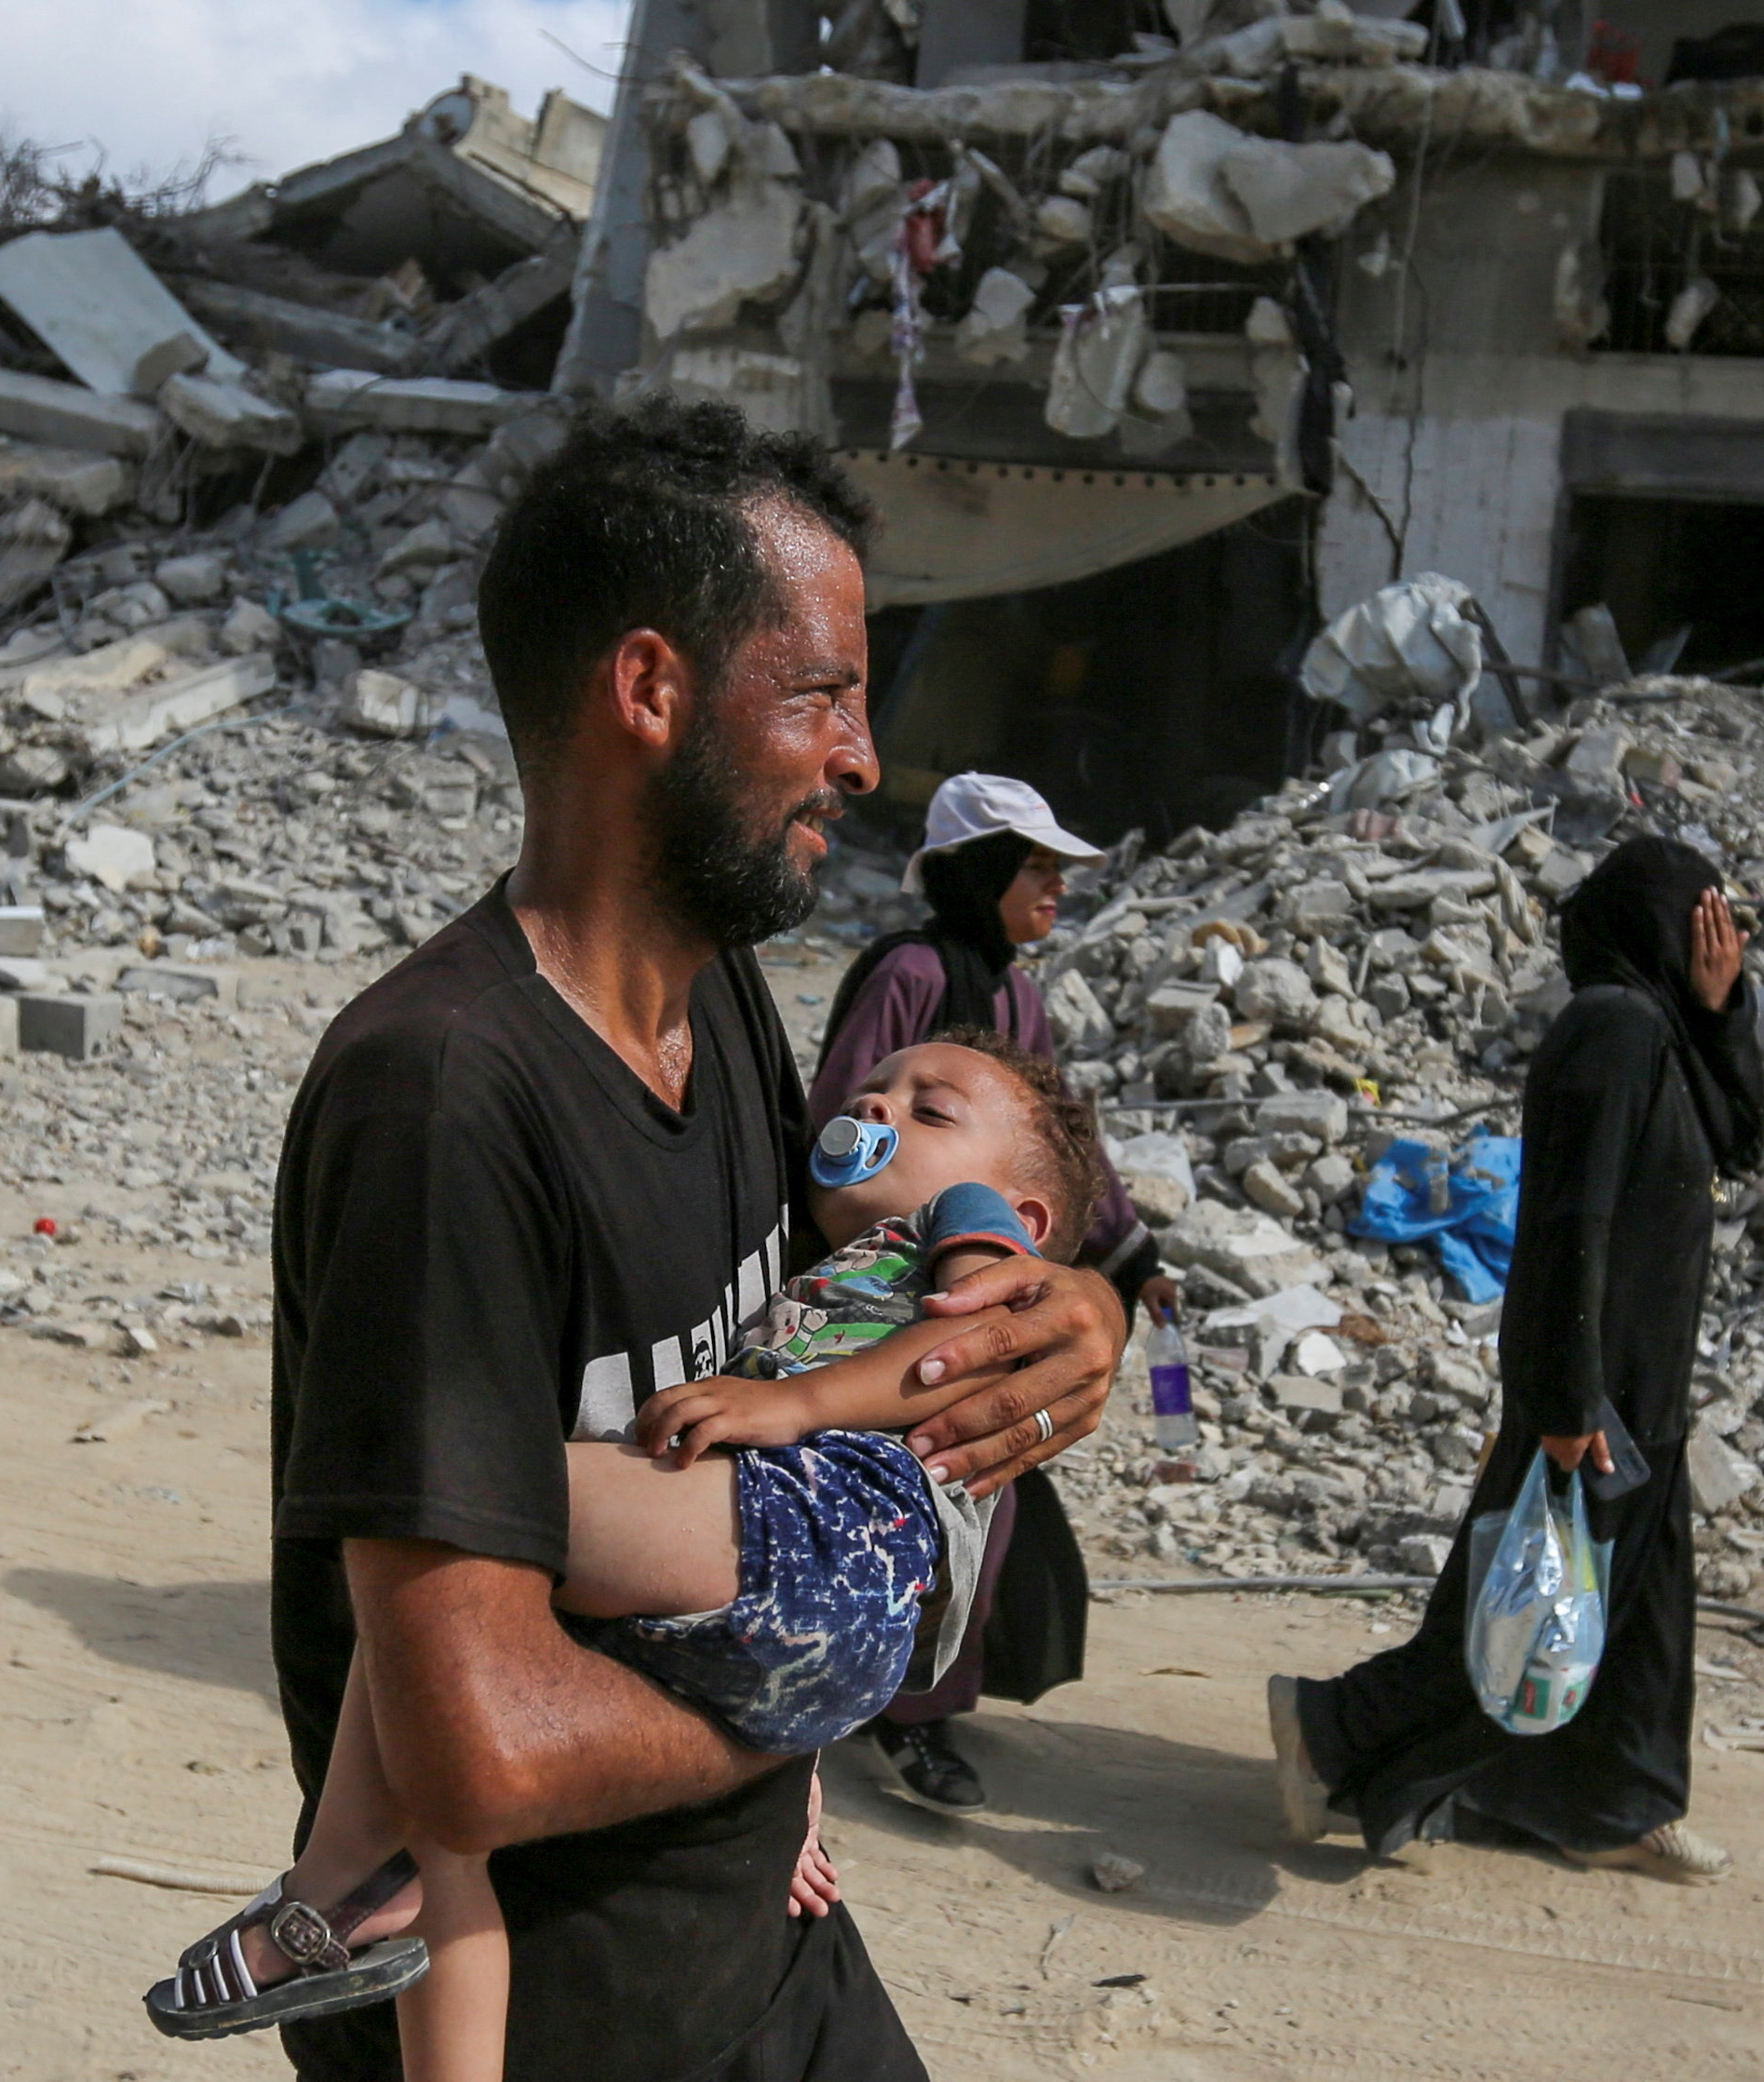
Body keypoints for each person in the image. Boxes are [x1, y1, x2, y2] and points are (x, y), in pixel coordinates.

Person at [255, 398, 1126, 2082]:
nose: (864, 761)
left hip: (770, 1960)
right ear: (648, 691)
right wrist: (820, 1683)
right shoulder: (441, 1100)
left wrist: (1069, 1294)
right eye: (819, 697)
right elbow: (473, 1754)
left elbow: (847, 1280)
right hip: (557, 2033)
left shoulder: (719, 996)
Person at [148, 1037, 1109, 2078]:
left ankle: (327, 1880)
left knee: (446, 1502)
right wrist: (802, 1753)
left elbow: (981, 1351)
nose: (876, 1104)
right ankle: (380, 1906)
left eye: (932, 1110)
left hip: (841, 1520)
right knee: (440, 1793)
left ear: (1030, 1216)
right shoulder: (820, 1255)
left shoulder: (963, 1220)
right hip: (816, 1570)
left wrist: (792, 1401)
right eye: (873, 1087)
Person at [1266, 836, 1762, 1884]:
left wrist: (1726, 1012)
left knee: (1638, 1622)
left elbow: (1740, 1139)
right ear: (1661, 926)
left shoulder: (1667, 1033)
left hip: (1645, 1391)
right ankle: (1327, 1727)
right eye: (1709, 920)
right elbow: (1565, 1229)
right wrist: (1563, 1396)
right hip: (1596, 1394)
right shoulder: (1613, 1030)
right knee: (1520, 1610)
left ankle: (1618, 1802)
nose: (1729, 939)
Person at [807, 772, 1174, 1816]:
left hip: (984, 1290)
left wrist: (1133, 1257)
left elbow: (1060, 1151)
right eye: (1036, 865)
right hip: (879, 1287)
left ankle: (918, 1707)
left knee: (979, 1486)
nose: (1054, 886)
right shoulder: (910, 972)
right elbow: (845, 1117)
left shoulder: (1019, 996)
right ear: (980, 870)